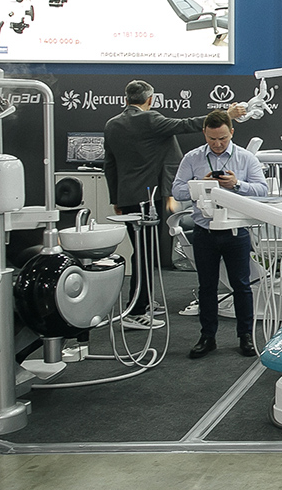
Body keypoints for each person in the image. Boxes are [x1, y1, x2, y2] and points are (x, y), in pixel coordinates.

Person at [103, 80, 243, 331]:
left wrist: (116, 199)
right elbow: (186, 124)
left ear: (126, 99)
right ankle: (136, 311)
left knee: (141, 251)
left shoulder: (112, 124)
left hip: (127, 197)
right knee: (145, 254)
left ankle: (143, 301)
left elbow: (109, 165)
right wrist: (227, 115)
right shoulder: (150, 119)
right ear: (150, 100)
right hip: (149, 197)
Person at [172, 110, 268, 359]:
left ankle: (245, 336)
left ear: (232, 133)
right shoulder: (192, 158)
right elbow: (177, 190)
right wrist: (199, 187)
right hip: (204, 231)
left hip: (236, 231)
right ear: (204, 133)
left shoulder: (245, 158)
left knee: (242, 286)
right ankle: (207, 337)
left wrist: (237, 184)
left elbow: (262, 190)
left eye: (223, 138)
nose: (217, 144)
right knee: (207, 286)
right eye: (212, 139)